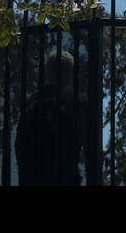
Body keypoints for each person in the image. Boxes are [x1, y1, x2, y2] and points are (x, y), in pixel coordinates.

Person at [16, 50, 86, 185]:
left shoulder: (32, 102)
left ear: (48, 72)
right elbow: (90, 147)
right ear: (71, 73)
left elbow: (19, 145)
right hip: (64, 178)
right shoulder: (77, 100)